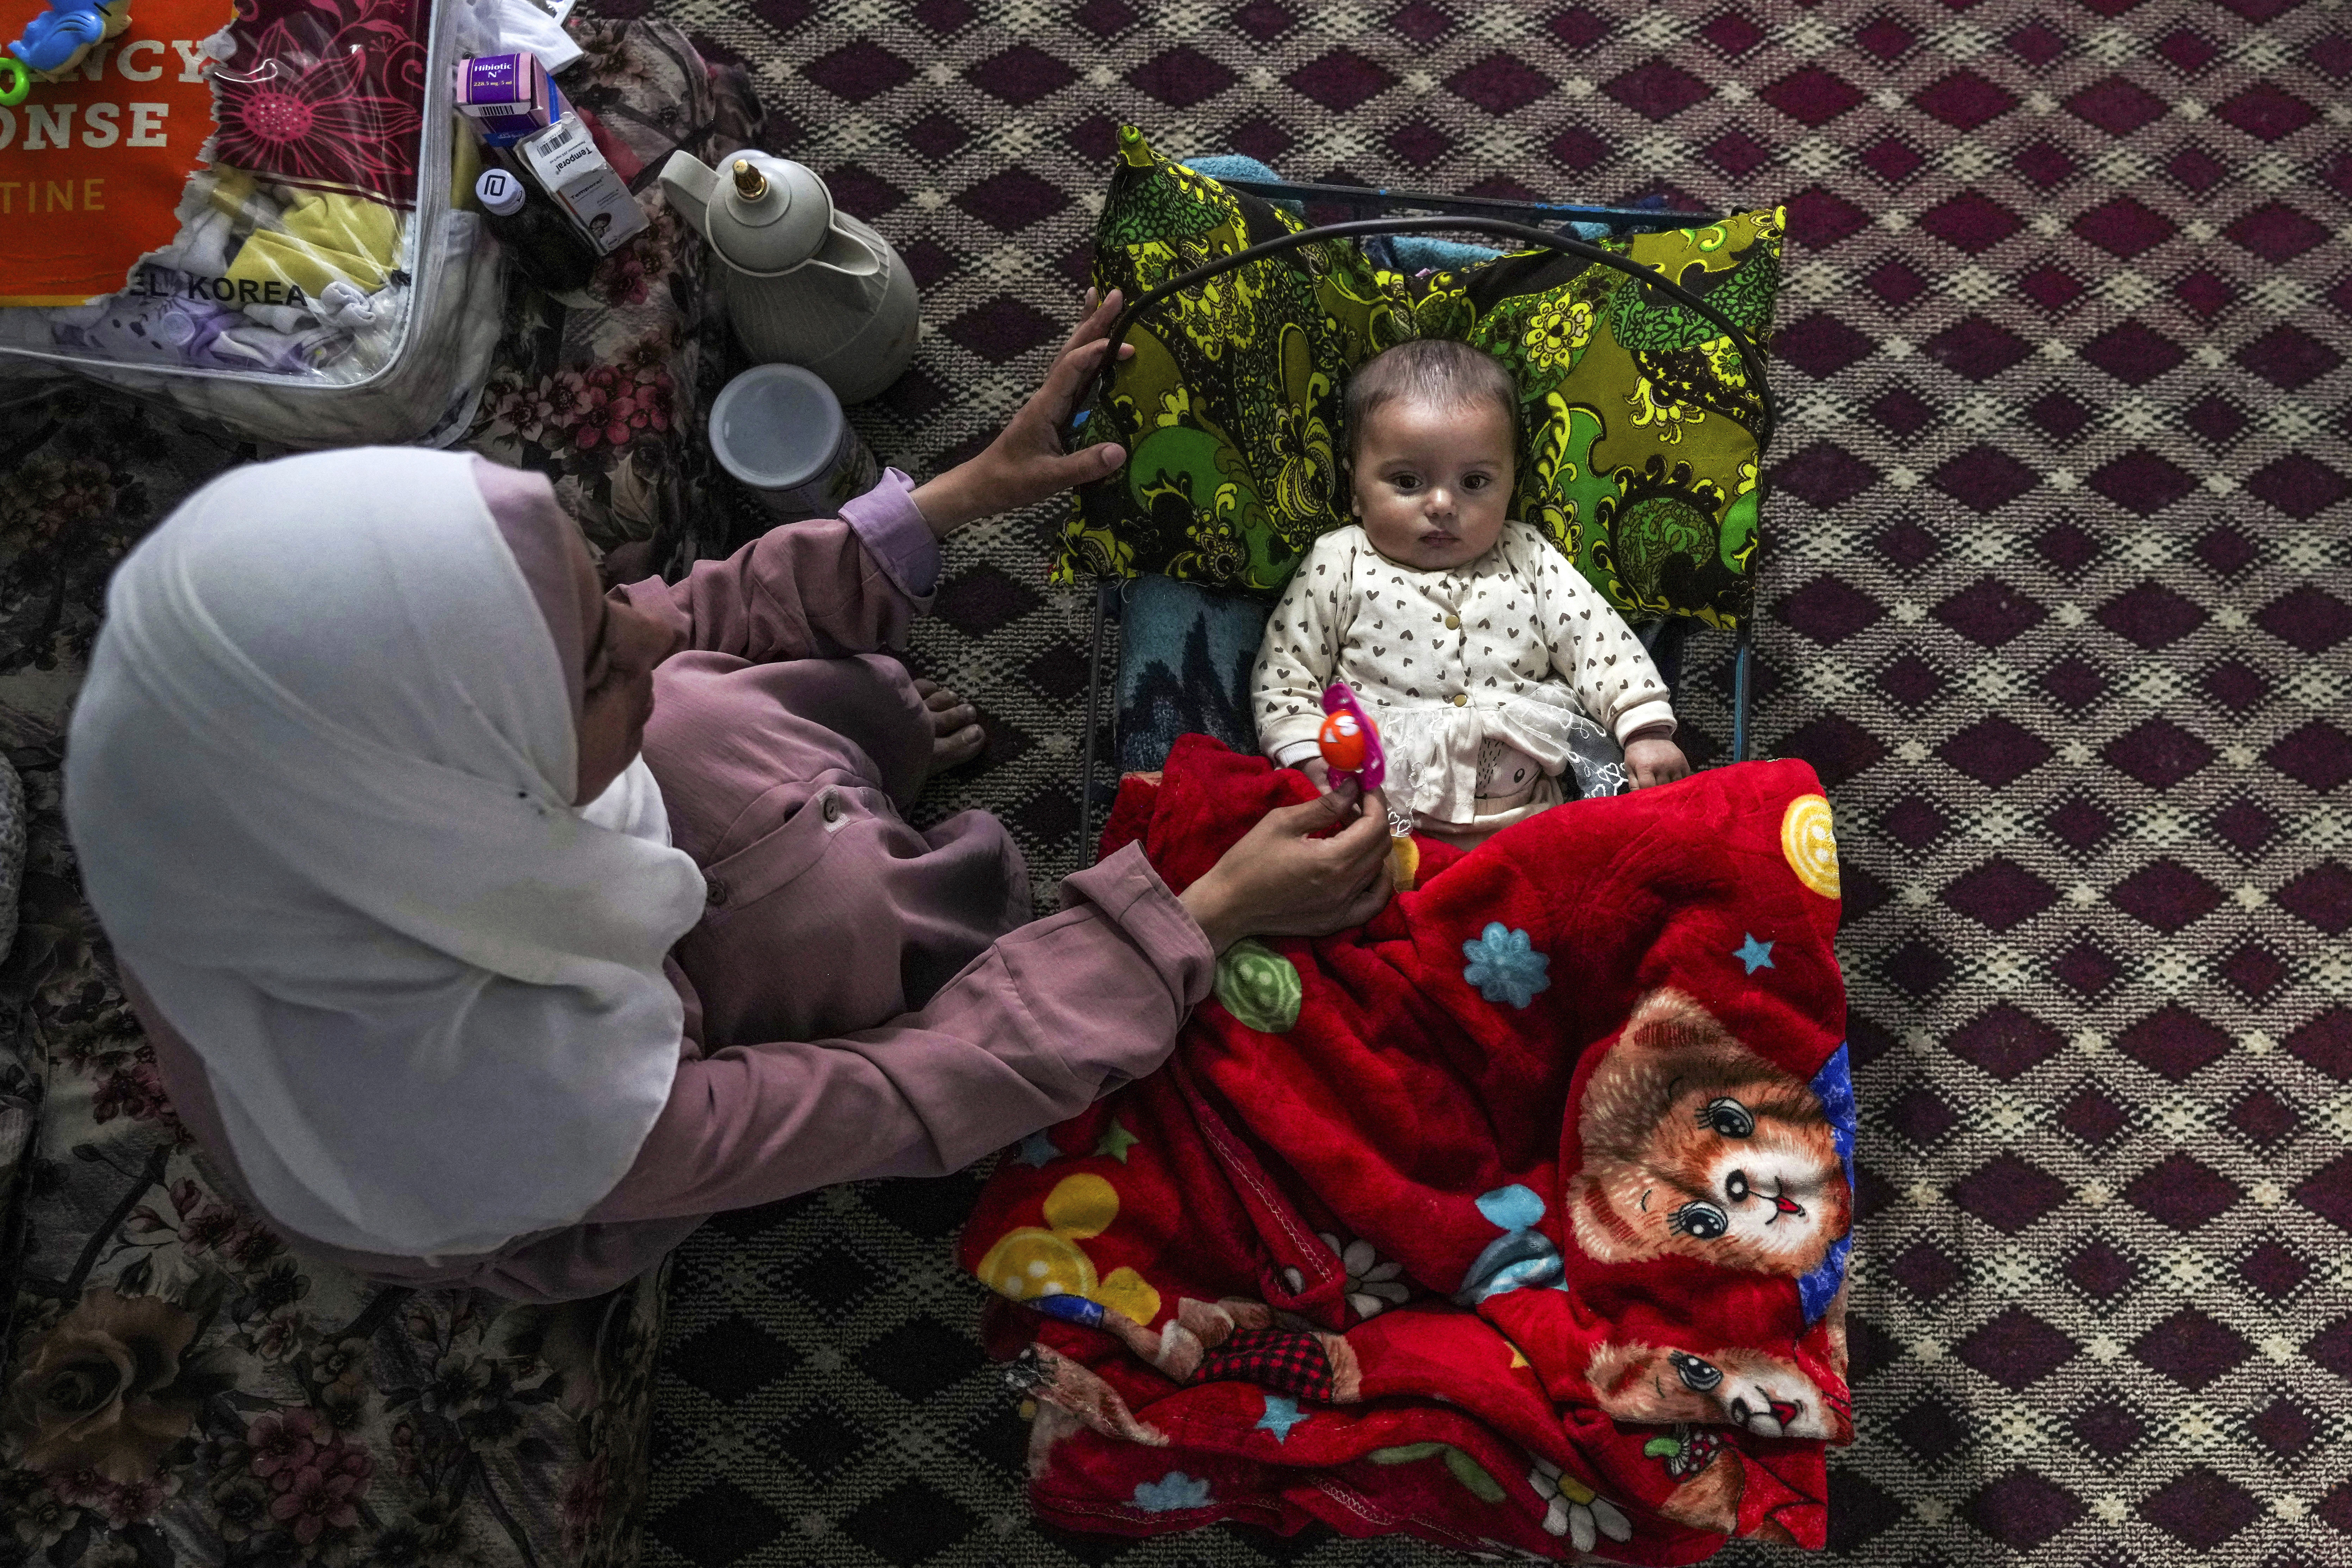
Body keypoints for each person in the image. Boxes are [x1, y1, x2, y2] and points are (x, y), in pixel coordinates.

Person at [63, 291, 1397, 1302]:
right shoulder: (531, 1106)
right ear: (469, 798)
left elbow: (669, 613)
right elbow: (898, 1091)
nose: (646, 635)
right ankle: (847, 834)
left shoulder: (239, 750)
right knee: (828, 896)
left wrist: (951, 496)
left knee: (697, 712)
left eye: (598, 599)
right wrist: (1194, 916)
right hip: (588, 1167)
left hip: (521, 913)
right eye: (591, 670)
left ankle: (828, 776)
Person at [1251, 338, 1689, 846]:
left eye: (1475, 481)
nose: (1441, 504)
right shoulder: (1340, 560)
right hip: (1377, 823)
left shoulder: (1527, 555)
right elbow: (1286, 674)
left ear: (1511, 484)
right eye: (1408, 480)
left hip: (1531, 822)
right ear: (1355, 488)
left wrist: (1645, 731)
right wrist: (1309, 756)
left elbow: (1596, 639)